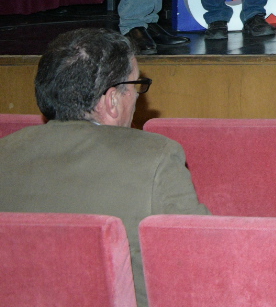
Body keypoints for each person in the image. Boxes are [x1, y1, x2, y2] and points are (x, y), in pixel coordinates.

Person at [0, 29, 208, 307]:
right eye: (136, 86)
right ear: (112, 100)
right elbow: (203, 260)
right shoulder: (156, 158)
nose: (137, 97)